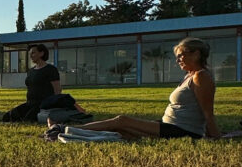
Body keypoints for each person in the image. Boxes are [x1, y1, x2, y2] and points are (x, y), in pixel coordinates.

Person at [50, 38, 220, 141]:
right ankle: (71, 134)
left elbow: (207, 113)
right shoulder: (189, 76)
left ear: (196, 54)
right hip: (168, 126)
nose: (178, 60)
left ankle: (62, 129)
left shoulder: (201, 76)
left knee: (121, 120)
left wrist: (215, 137)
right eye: (177, 56)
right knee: (120, 130)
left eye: (181, 55)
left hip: (182, 131)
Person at [1, 43, 61, 123]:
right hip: (30, 103)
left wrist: (54, 105)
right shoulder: (31, 71)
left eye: (33, 53)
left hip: (43, 105)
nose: (31, 55)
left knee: (28, 120)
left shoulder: (51, 69)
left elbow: (57, 89)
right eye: (30, 53)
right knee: (8, 117)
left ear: (41, 53)